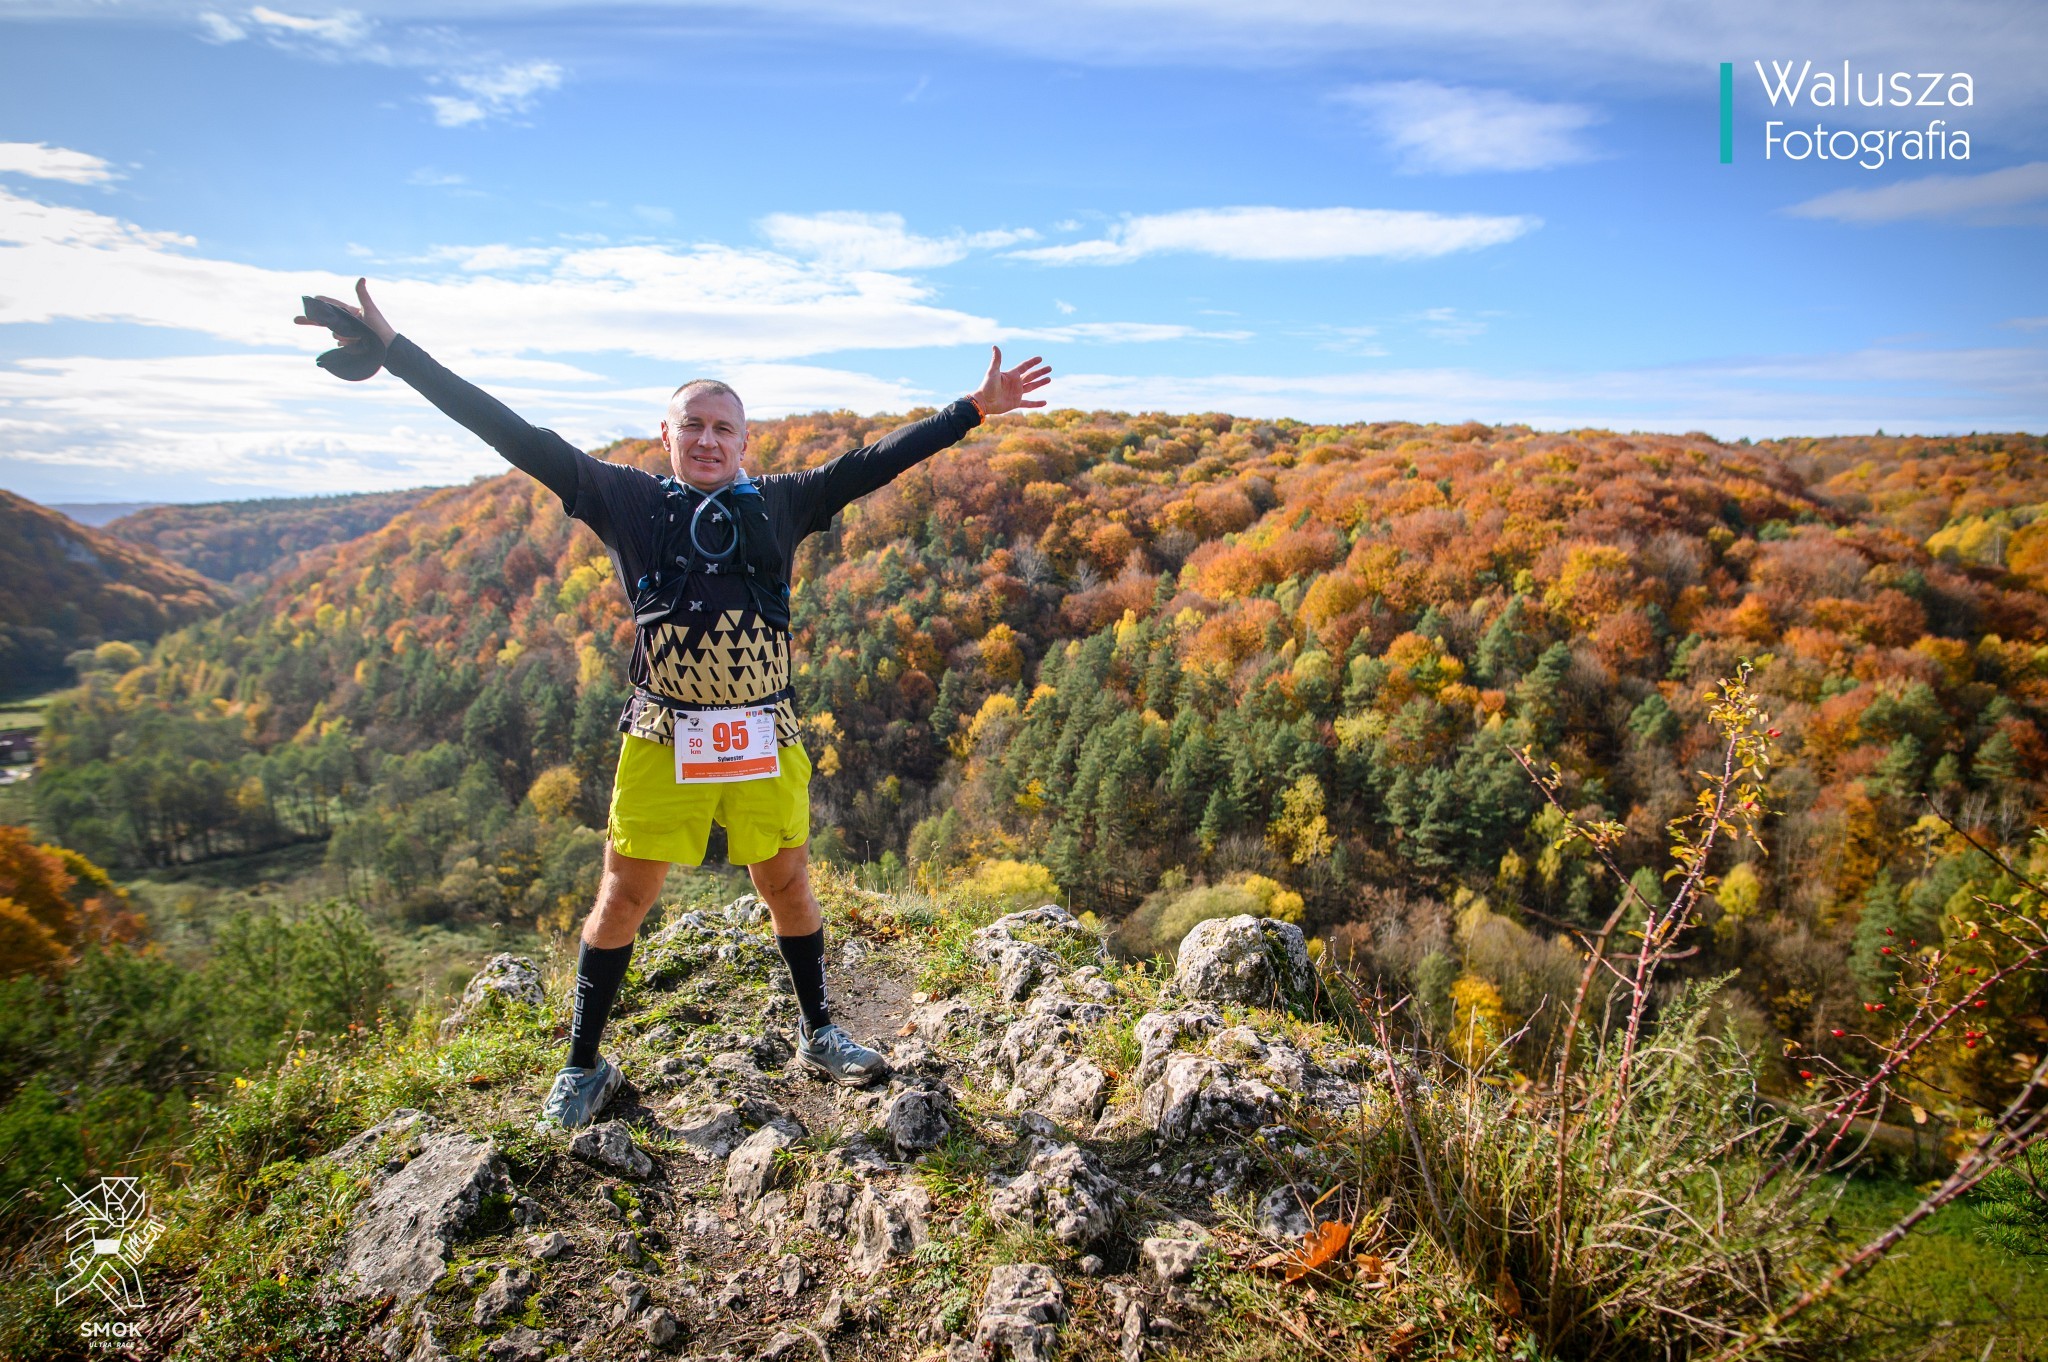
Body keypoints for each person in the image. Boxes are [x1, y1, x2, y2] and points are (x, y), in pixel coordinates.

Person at [296, 279, 1053, 1129]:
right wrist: (399, 355)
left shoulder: (783, 501)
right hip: (664, 734)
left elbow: (872, 462)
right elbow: (514, 435)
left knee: (788, 883)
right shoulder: (629, 500)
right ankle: (582, 1066)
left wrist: (971, 410)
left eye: (723, 427)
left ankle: (818, 1031)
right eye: (692, 424)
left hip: (763, 730)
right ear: (666, 436)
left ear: (744, 442)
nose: (707, 439)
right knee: (623, 897)